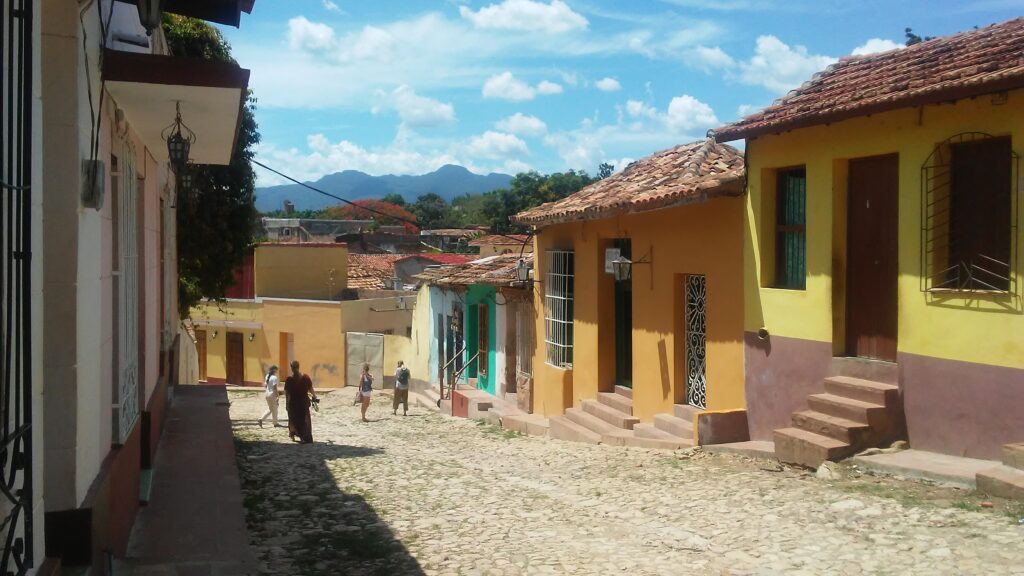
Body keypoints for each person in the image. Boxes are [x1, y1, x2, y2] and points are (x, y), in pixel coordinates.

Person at [284, 360, 317, 443]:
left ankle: (298, 436)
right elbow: (310, 388)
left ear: (291, 368)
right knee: (301, 420)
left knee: (295, 419)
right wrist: (314, 396)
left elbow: (287, 393)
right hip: (301, 402)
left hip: (296, 403)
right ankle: (301, 436)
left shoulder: (291, 379)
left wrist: (287, 404)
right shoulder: (303, 378)